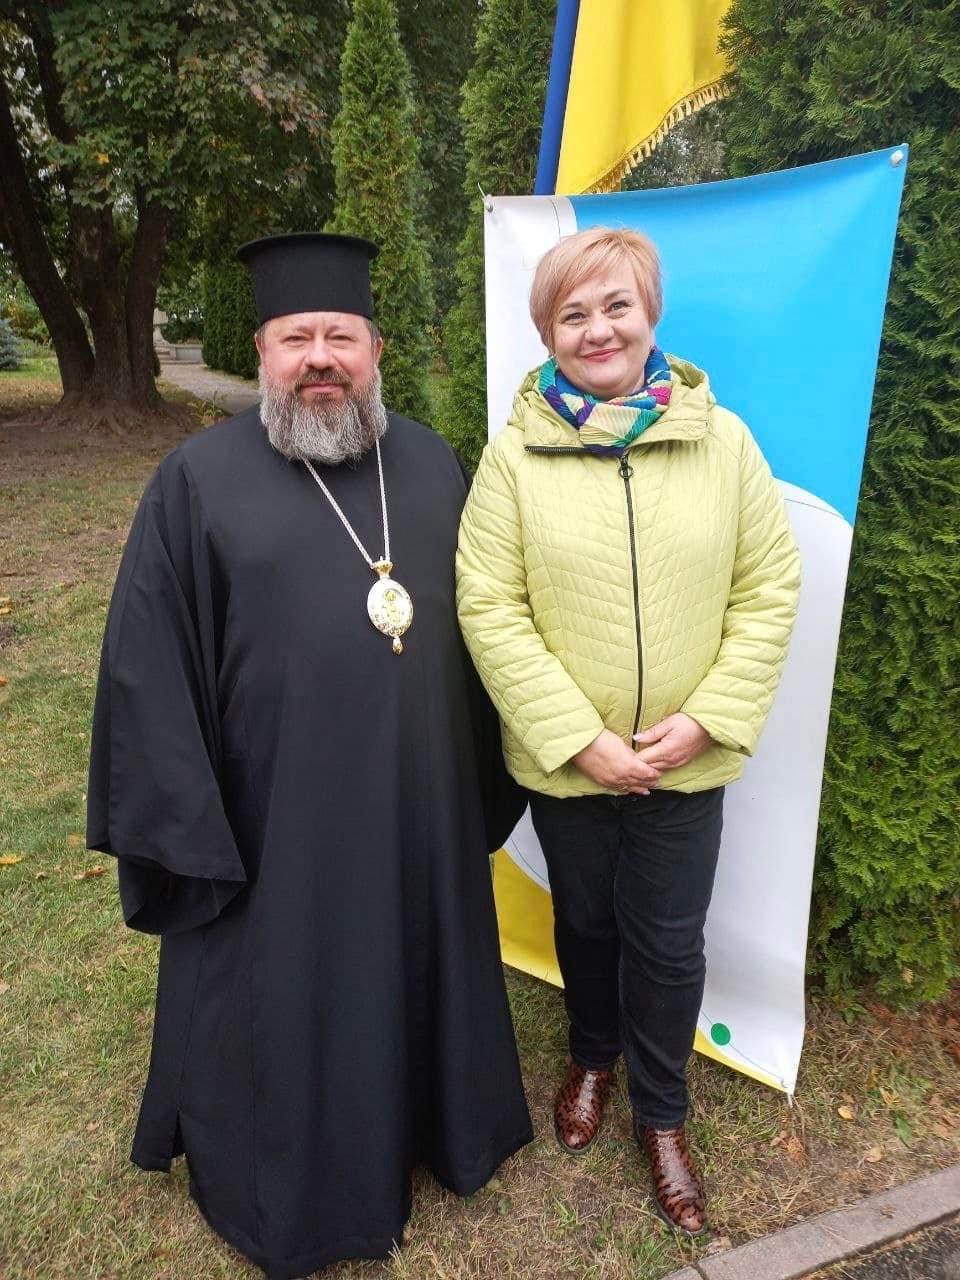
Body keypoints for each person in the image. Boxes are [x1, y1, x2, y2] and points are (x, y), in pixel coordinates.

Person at [87, 232, 532, 1279]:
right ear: (262, 352)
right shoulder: (196, 479)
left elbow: (487, 620)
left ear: (375, 350)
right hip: (273, 814)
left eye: (341, 336)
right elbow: (148, 665)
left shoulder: (431, 462)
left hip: (417, 794)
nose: (320, 358)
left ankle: (434, 1124)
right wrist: (191, 823)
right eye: (296, 339)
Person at [456, 226, 800, 1237]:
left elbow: (768, 587)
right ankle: (592, 1055)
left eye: (616, 306)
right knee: (588, 923)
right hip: (573, 766)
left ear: (651, 315)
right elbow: (489, 603)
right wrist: (578, 737)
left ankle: (662, 1113)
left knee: (668, 940)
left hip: (685, 762)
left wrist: (707, 719)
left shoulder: (725, 443)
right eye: (574, 313)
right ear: (548, 334)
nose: (598, 329)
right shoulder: (512, 458)